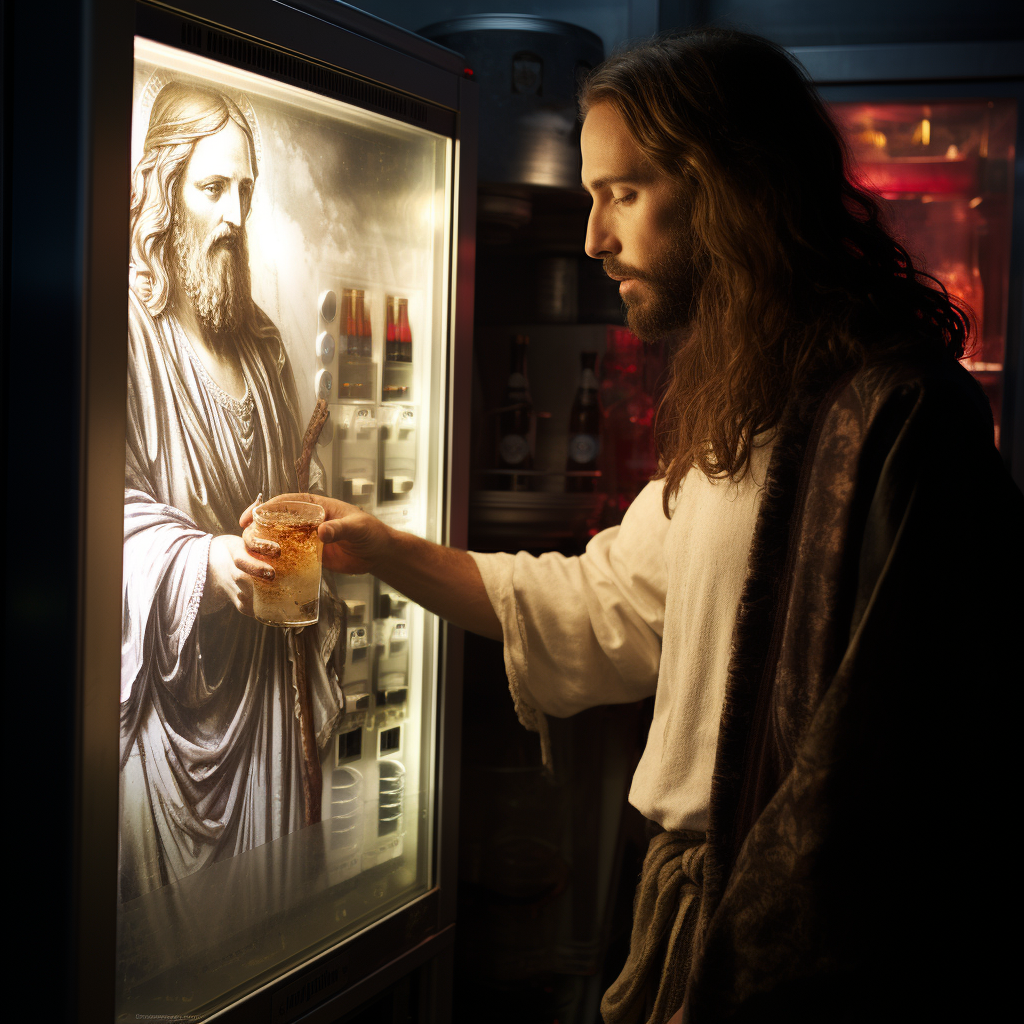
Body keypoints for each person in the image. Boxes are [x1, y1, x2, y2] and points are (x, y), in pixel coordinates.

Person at [240, 29, 1021, 1023]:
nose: (591, 238)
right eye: (592, 195)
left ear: (731, 190)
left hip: (786, 938)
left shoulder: (898, 417)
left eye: (624, 192)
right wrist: (381, 550)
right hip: (680, 899)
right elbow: (607, 601)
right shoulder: (748, 405)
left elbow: (902, 769)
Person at [120, 81, 343, 901]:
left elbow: (291, 482)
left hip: (266, 695)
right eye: (213, 187)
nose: (234, 215)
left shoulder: (262, 345)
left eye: (245, 189)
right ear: (164, 190)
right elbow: (98, 516)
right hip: (176, 712)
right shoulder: (129, 337)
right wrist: (205, 561)